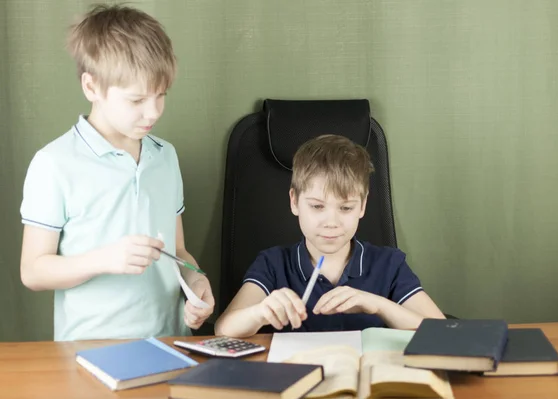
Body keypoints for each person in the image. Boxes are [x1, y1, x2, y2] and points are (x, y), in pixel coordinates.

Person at [19, 4, 213, 341]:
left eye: (161, 95)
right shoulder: (54, 163)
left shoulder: (165, 156)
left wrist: (195, 282)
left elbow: (178, 252)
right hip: (90, 351)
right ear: (91, 87)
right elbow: (33, 271)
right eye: (136, 99)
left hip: (171, 342)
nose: (152, 112)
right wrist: (105, 258)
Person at [215, 134, 445, 337]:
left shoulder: (389, 264)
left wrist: (378, 305)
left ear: (362, 206)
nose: (331, 223)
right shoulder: (273, 264)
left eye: (346, 208)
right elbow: (224, 329)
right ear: (294, 202)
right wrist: (260, 313)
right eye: (317, 207)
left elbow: (441, 332)